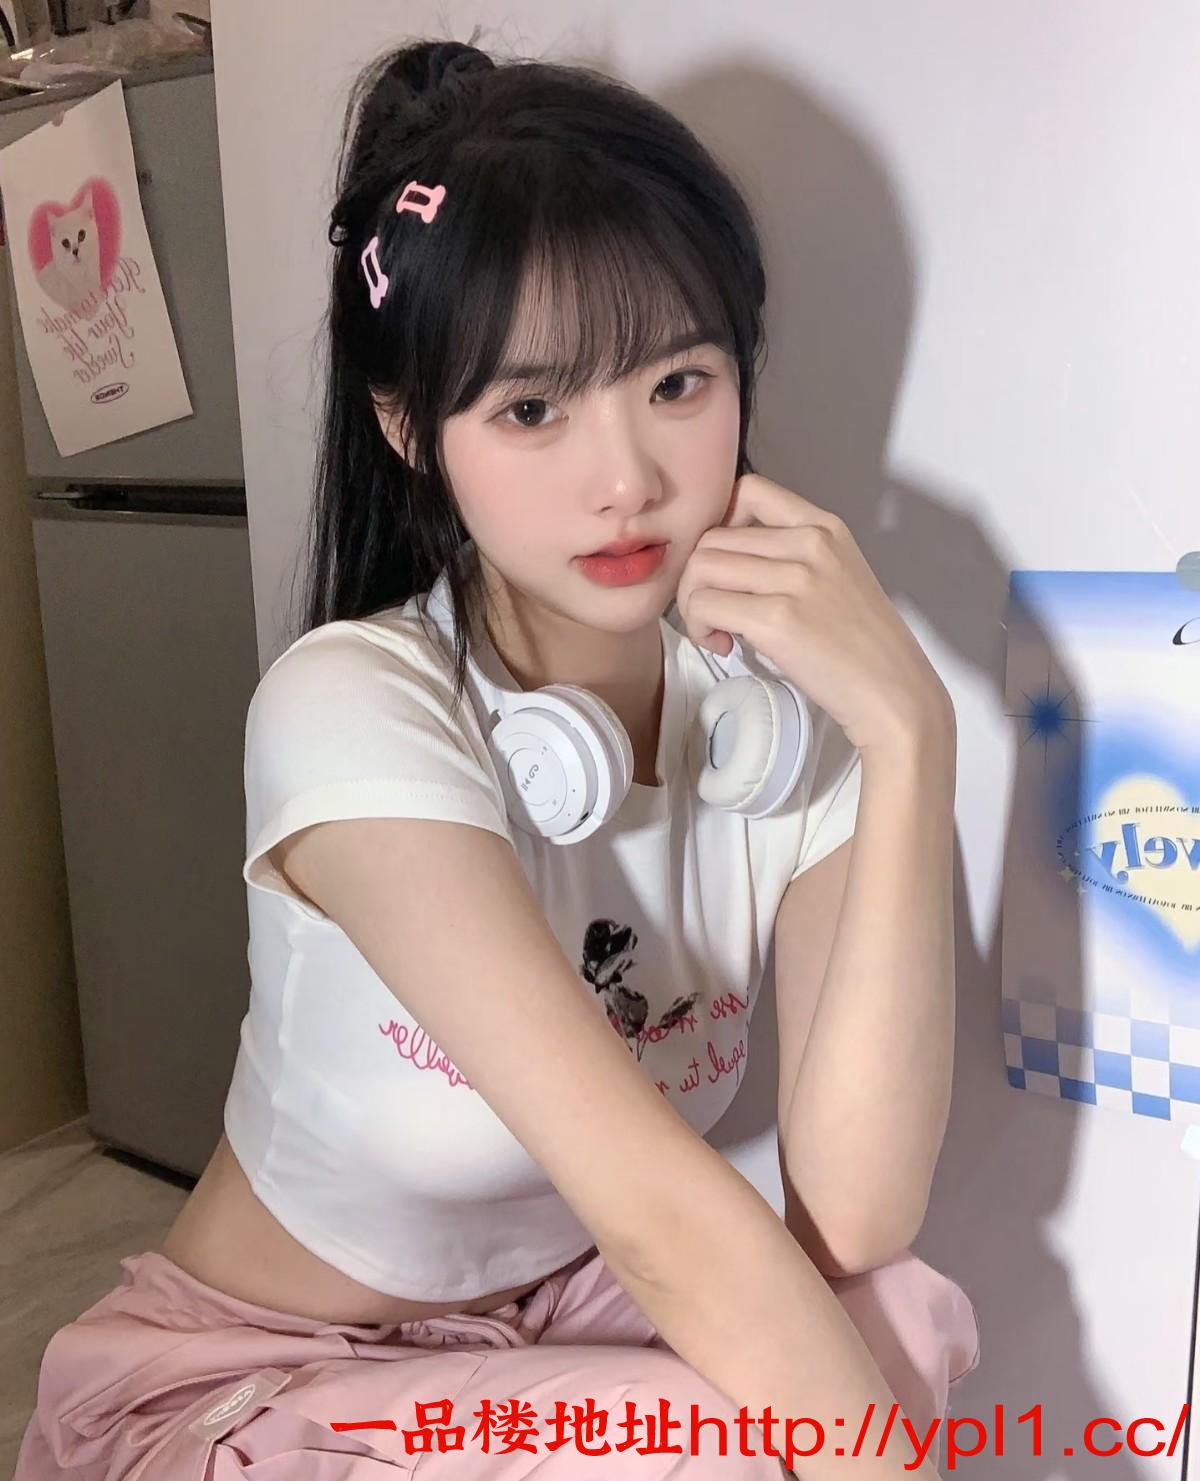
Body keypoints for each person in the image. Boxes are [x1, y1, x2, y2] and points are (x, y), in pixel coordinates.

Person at [15, 31, 980, 1480]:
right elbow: (655, 1216)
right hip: (264, 1380)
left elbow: (856, 1215)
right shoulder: (353, 706)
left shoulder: (777, 719)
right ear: (412, 429)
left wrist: (910, 736)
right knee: (735, 1442)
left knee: (893, 1323)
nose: (627, 479)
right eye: (532, 409)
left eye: (678, 382)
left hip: (543, 1328)